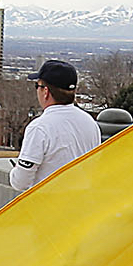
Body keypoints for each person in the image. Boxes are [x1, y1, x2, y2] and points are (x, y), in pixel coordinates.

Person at [9, 59, 102, 191]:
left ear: (45, 92)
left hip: (49, 206)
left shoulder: (39, 128)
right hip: (83, 204)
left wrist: (16, 171)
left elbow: (20, 182)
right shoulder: (90, 123)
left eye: (38, 86)